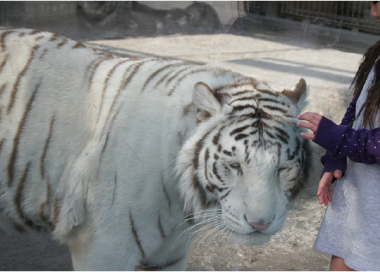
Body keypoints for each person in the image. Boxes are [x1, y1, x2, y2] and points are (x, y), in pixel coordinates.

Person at [297, 1, 380, 271]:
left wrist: (340, 139)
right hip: (361, 197)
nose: (374, 12)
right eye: (372, 2)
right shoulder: (377, 55)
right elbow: (357, 110)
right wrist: (336, 157)